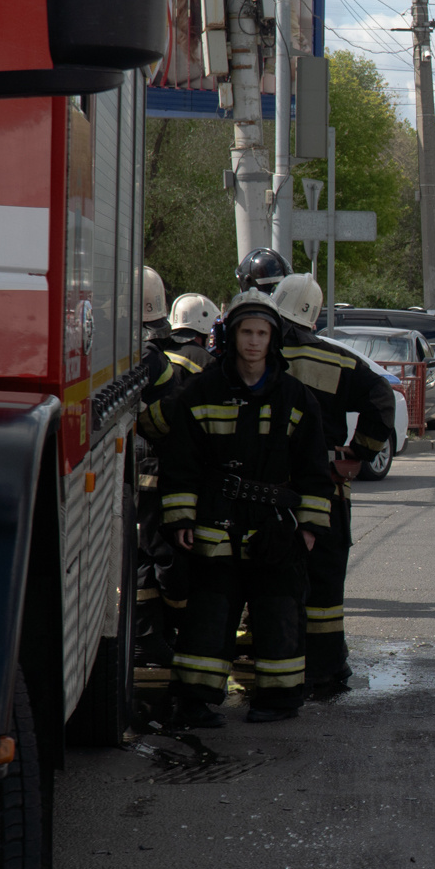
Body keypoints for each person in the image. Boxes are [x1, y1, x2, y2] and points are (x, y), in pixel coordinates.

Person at [157, 291, 334, 726]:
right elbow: (180, 461)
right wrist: (180, 517)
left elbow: (314, 467)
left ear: (272, 340)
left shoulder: (295, 396)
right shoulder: (202, 391)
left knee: (278, 611)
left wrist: (309, 527)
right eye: (246, 333)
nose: (253, 342)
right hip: (217, 519)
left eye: (261, 333)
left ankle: (278, 700)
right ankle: (195, 701)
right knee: (210, 613)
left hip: (276, 524)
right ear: (232, 337)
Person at [269, 272, 398, 689]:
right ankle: (325, 669)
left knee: (269, 577)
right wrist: (360, 450)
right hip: (325, 486)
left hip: (267, 484)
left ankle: (267, 660)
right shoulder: (338, 360)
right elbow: (381, 398)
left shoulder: (254, 351)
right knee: (324, 582)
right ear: (315, 315)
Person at [133, 282, 217, 669]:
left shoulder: (147, 354)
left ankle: (149, 636)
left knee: (144, 556)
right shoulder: (205, 360)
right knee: (173, 558)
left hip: (139, 470)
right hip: (178, 473)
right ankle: (177, 632)